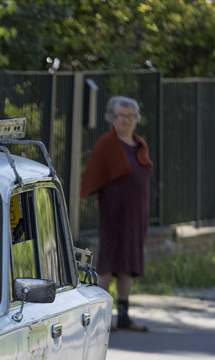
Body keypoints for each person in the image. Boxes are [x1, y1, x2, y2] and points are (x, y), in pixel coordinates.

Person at [80, 95, 154, 331]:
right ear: (112, 118)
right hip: (113, 213)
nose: (124, 121)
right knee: (108, 262)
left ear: (135, 119)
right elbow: (95, 174)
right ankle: (103, 317)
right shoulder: (107, 144)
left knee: (128, 263)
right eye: (120, 116)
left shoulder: (139, 144)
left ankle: (123, 316)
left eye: (129, 116)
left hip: (136, 214)